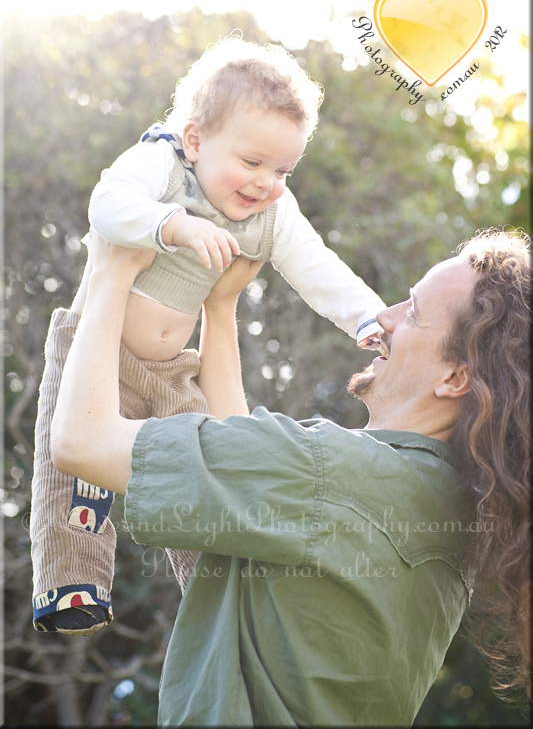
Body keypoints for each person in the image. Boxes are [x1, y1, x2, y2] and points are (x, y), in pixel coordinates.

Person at [51, 228, 531, 725]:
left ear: (455, 378)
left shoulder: (334, 471)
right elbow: (242, 461)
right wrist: (221, 308)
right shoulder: (439, 500)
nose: (383, 318)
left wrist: (110, 269)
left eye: (411, 312)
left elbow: (81, 442)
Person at [30, 35, 386, 635]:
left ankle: (215, 587)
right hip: (98, 349)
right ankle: (71, 585)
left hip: (174, 368)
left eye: (283, 169)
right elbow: (108, 204)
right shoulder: (163, 163)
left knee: (210, 466)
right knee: (73, 478)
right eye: (252, 162)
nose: (267, 182)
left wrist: (368, 318)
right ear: (196, 139)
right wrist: (172, 225)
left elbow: (315, 264)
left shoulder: (272, 209)